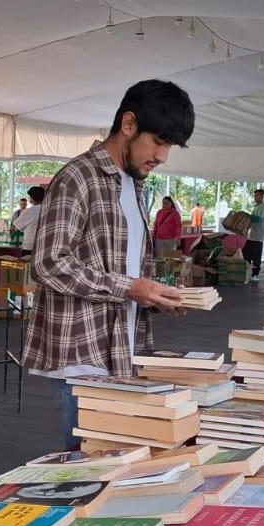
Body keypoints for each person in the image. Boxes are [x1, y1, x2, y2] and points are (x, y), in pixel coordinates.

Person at [22, 79, 193, 449]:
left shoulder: (133, 184)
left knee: (121, 460)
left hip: (123, 349)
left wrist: (154, 296)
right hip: (82, 353)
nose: (163, 156)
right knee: (90, 463)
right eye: (159, 141)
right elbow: (49, 263)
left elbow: (122, 266)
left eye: (169, 146)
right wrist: (129, 288)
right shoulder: (77, 177)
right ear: (128, 124)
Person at [243, 189, 264, 281]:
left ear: (262, 196)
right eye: (255, 195)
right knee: (246, 255)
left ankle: (255, 274)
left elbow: (258, 219)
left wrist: (248, 216)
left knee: (256, 256)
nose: (255, 197)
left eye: (257, 195)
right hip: (252, 235)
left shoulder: (263, 206)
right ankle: (248, 273)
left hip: (258, 236)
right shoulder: (256, 207)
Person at [12, 186, 45, 253]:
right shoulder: (50, 210)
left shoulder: (28, 212)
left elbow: (17, 226)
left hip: (29, 246)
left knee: (28, 263)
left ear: (31, 198)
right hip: (45, 246)